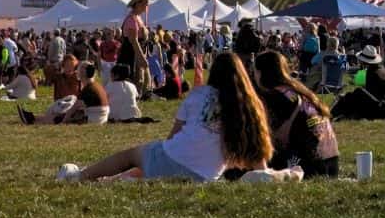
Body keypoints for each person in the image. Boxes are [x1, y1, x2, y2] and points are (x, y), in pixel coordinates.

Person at [58, 52, 271, 183]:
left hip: (173, 157)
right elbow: (258, 152)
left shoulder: (199, 95)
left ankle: (81, 176)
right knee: (151, 169)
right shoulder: (250, 107)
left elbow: (173, 138)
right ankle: (109, 180)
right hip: (205, 176)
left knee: (131, 156)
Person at [252, 50, 339, 177]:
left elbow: (263, 138)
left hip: (308, 166)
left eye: (254, 71)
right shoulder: (298, 91)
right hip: (331, 163)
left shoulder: (275, 97)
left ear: (260, 73)